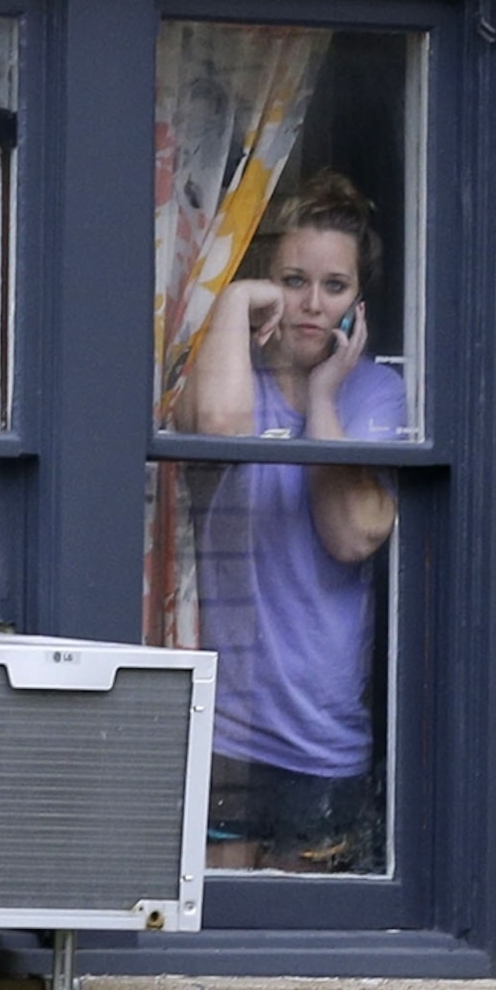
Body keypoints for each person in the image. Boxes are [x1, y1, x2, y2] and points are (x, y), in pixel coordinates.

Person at [171, 168, 403, 872]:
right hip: (228, 730)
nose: (309, 304)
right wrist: (236, 297)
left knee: (303, 945)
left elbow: (352, 534)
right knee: (213, 939)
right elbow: (217, 427)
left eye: (334, 287)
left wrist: (322, 398)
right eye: (292, 279)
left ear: (359, 303)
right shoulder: (228, 369)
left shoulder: (375, 391)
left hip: (320, 736)